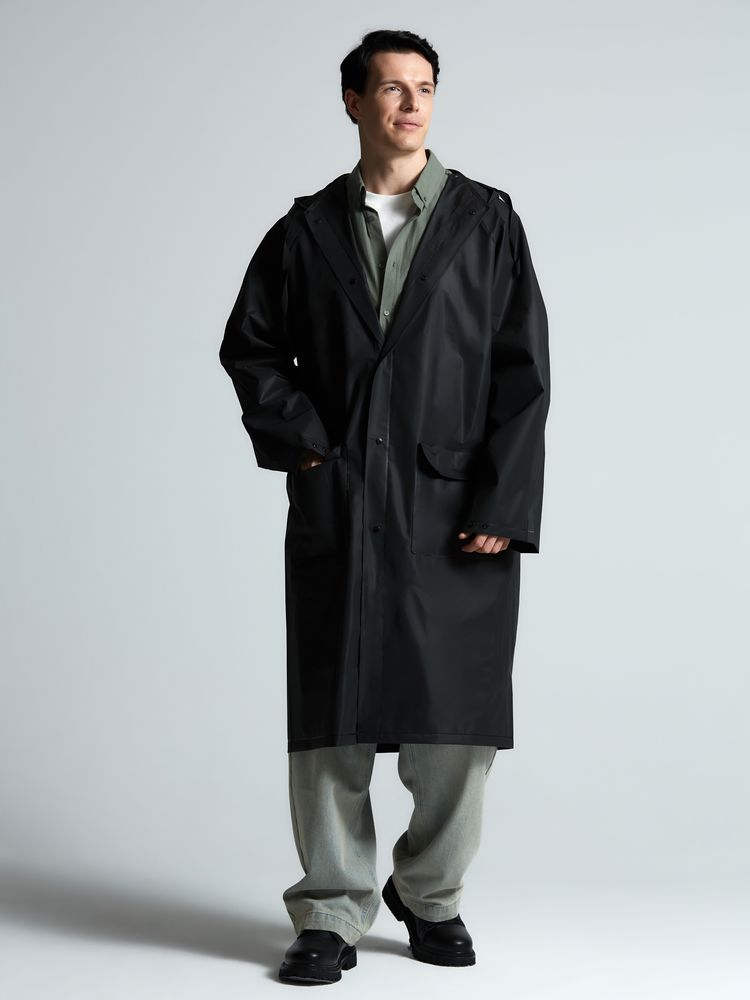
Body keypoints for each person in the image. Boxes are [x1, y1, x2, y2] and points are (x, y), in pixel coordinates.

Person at [219, 28, 551, 986]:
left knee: (457, 727)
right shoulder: (305, 231)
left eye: (425, 87)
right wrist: (308, 444)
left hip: (457, 508)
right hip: (344, 501)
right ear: (353, 102)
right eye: (393, 87)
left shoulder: (487, 221)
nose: (411, 104)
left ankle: (431, 895)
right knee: (334, 718)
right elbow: (251, 348)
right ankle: (330, 909)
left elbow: (523, 371)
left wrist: (505, 499)